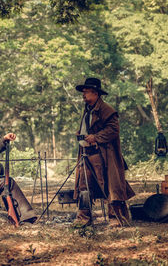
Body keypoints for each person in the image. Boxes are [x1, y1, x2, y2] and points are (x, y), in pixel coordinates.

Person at [73, 78, 135, 227]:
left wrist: (96, 137)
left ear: (95, 93)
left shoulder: (107, 110)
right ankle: (83, 218)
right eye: (83, 92)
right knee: (84, 185)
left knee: (109, 186)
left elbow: (113, 130)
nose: (84, 95)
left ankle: (116, 218)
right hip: (86, 154)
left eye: (86, 92)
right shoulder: (88, 109)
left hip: (103, 156)